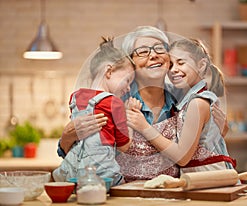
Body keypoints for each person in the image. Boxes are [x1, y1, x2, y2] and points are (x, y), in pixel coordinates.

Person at [57, 26, 229, 182]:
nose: (153, 55)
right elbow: (82, 151)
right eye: (143, 51)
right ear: (131, 62)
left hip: (172, 196)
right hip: (122, 196)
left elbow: (206, 140)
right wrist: (67, 137)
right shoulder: (114, 99)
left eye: (160, 49)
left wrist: (217, 130)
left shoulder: (184, 97)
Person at [126, 38, 236, 174]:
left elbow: (182, 157)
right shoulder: (184, 98)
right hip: (199, 177)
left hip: (210, 176)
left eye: (181, 63)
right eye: (170, 65)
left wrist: (144, 127)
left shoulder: (197, 103)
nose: (174, 70)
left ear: (201, 65)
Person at [53, 37, 136, 186]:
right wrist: (128, 114)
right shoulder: (115, 103)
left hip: (72, 174)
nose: (128, 88)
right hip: (101, 174)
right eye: (127, 80)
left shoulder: (75, 97)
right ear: (109, 71)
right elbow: (124, 146)